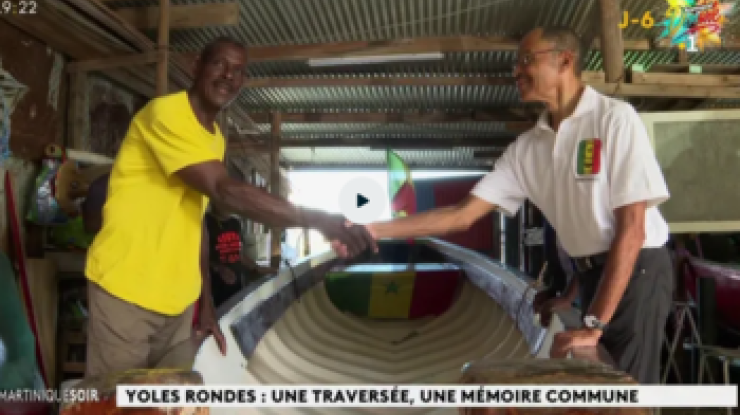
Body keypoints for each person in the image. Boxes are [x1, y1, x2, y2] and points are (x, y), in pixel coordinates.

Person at [341, 26, 674, 384]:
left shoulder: (614, 119)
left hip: (637, 271)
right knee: (603, 386)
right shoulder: (527, 149)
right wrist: (373, 228)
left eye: (526, 60)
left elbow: (632, 229)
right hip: (593, 277)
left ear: (565, 61)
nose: (516, 71)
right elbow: (461, 215)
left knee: (629, 391)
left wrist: (594, 322)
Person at [83, 36, 376, 378]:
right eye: (219, 64)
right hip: (126, 289)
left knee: (167, 400)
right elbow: (223, 191)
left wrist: (206, 304)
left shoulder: (214, 139)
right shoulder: (166, 114)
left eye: (237, 70)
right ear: (197, 66)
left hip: (178, 304)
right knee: (113, 400)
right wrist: (317, 219)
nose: (228, 76)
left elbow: (196, 223)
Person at [205, 204, 275, 308]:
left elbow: (240, 255)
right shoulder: (205, 222)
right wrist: (219, 268)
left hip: (236, 282)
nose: (229, 204)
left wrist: (257, 267)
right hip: (213, 286)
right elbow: (198, 256)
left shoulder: (235, 223)